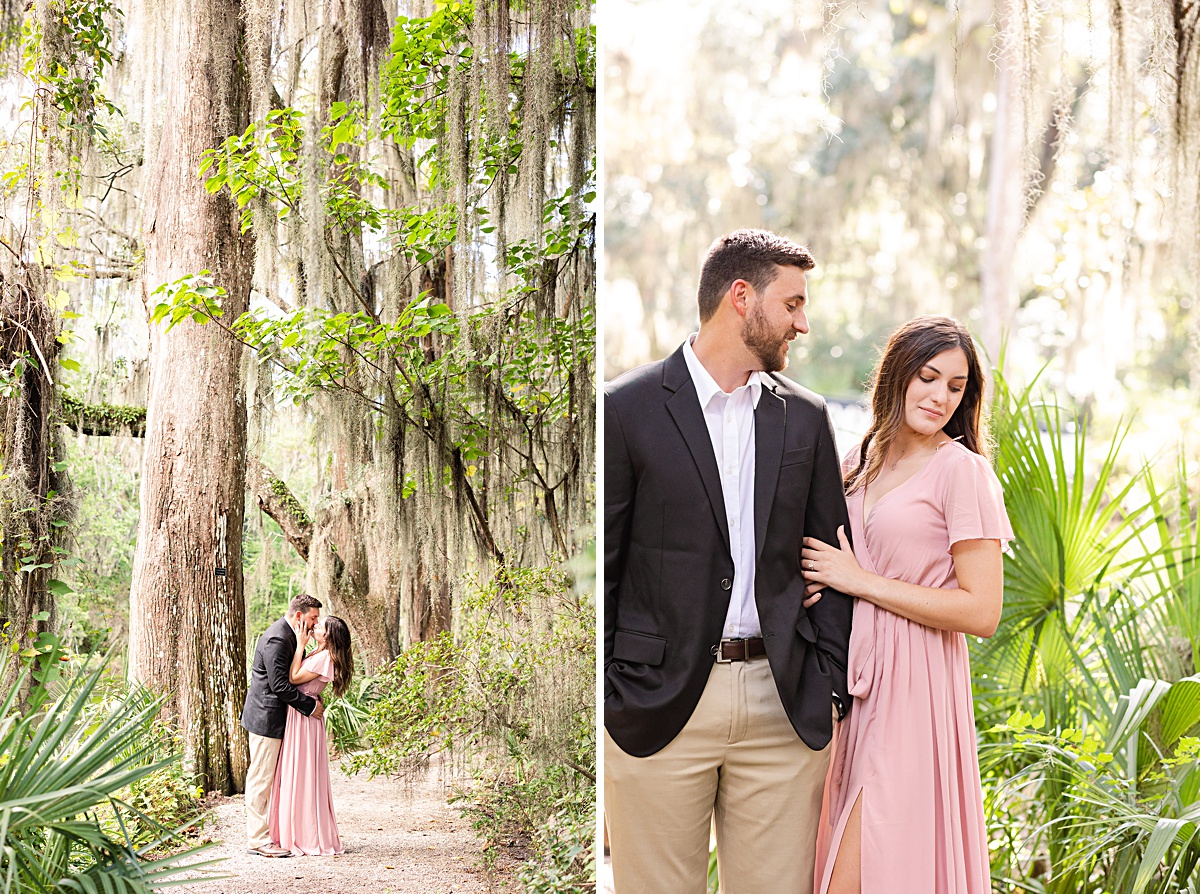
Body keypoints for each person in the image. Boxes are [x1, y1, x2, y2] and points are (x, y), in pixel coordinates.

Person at [604, 228, 854, 893]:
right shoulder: (624, 411)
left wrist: (827, 683)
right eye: (793, 304)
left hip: (782, 706)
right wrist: (611, 692)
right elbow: (600, 568)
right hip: (656, 705)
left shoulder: (805, 417)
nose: (803, 324)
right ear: (742, 298)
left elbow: (831, 557)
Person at [803, 316, 1013, 894]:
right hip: (850, 687)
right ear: (898, 374)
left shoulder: (962, 472)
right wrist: (814, 585)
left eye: (955, 386)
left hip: (918, 687)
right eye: (929, 377)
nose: (941, 396)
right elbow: (826, 558)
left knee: (870, 866)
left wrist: (860, 581)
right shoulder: (859, 459)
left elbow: (982, 612)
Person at [241, 594, 325, 858]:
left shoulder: (292, 636)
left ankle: (273, 834)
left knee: (270, 780)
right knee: (260, 779)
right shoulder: (278, 639)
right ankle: (257, 840)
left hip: (279, 719)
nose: (315, 623)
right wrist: (310, 707)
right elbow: (279, 686)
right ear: (299, 616)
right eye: (313, 618)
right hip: (266, 718)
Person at [268, 614, 355, 856]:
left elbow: (293, 678)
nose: (315, 626)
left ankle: (304, 835)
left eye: (320, 626)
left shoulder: (324, 657)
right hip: (302, 715)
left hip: (304, 719)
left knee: (301, 773)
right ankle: (294, 830)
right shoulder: (321, 655)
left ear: (328, 636)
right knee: (297, 771)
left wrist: (300, 646)